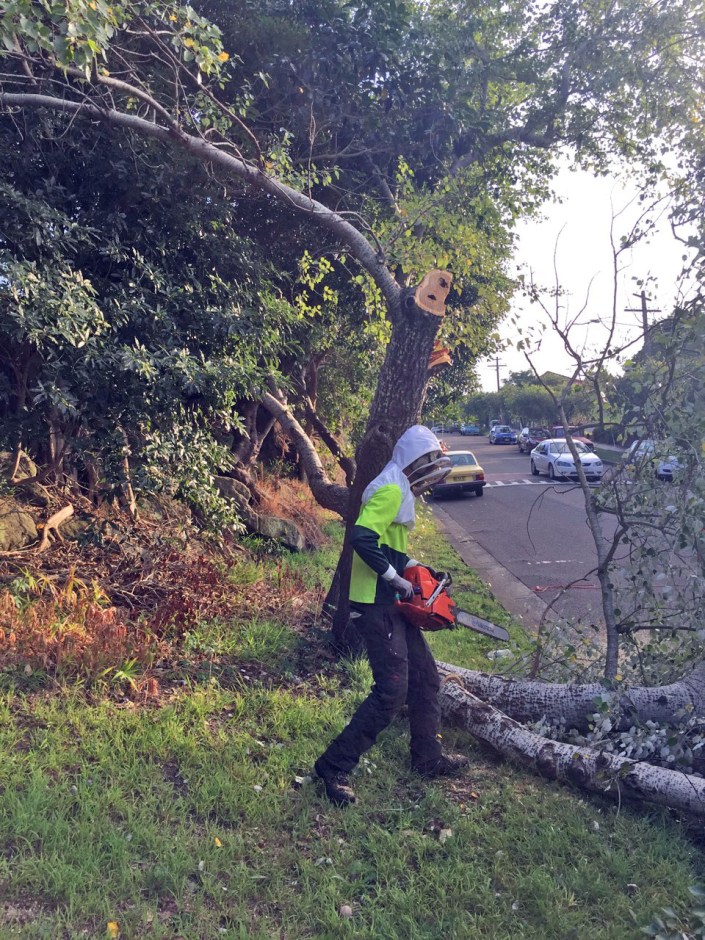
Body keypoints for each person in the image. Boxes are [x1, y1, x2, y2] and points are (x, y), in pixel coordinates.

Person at [314, 425, 470, 806]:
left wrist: (418, 569)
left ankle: (427, 757)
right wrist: (393, 578)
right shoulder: (388, 489)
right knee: (391, 690)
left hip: (393, 601)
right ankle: (333, 767)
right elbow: (362, 537)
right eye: (426, 463)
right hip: (376, 604)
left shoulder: (399, 489)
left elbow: (389, 548)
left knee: (425, 678)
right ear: (414, 460)